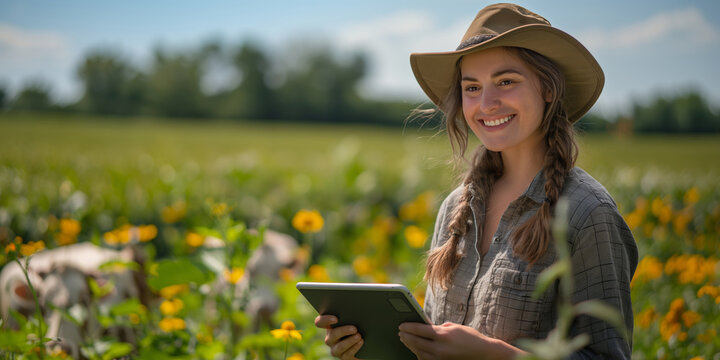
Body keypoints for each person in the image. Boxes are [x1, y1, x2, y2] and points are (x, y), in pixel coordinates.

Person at [315, 3, 638, 359]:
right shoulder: (457, 207)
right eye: (472, 87)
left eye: (505, 82)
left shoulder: (587, 213)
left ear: (549, 89)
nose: (486, 103)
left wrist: (495, 355)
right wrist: (368, 347)